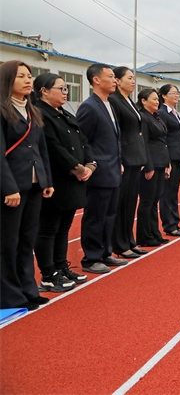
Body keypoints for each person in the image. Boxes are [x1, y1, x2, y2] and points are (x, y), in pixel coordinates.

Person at [0, 61, 54, 310]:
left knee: (26, 239)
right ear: (7, 80)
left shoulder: (32, 111)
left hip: (33, 185)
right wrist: (9, 188)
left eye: (29, 75)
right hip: (12, 187)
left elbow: (42, 150)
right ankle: (9, 295)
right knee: (7, 242)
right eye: (21, 76)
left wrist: (46, 181)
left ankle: (28, 289)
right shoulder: (2, 110)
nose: (27, 79)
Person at [33, 73, 94, 292]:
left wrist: (90, 165)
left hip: (74, 180)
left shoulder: (64, 113)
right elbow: (53, 147)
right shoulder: (40, 114)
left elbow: (83, 141)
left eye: (66, 88)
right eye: (60, 88)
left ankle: (61, 267)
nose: (65, 92)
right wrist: (77, 169)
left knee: (63, 228)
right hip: (56, 179)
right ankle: (48, 274)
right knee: (49, 229)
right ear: (44, 91)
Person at [75, 63, 127, 274]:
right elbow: (83, 140)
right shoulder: (89, 106)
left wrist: (119, 160)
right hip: (99, 172)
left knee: (109, 215)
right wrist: (91, 165)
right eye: (111, 76)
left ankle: (105, 252)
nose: (115, 80)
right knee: (95, 216)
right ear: (96, 80)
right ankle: (91, 258)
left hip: (114, 169)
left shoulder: (108, 105)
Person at [108, 67, 148, 259]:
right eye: (129, 78)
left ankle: (129, 241)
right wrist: (121, 158)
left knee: (131, 202)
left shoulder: (128, 101)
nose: (133, 81)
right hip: (125, 157)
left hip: (135, 157)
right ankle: (120, 243)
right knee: (122, 203)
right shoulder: (114, 101)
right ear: (117, 80)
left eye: (134, 78)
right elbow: (117, 132)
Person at [136, 88, 170, 247]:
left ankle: (154, 232)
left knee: (154, 200)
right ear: (143, 100)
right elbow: (144, 143)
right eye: (154, 99)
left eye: (158, 99)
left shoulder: (155, 117)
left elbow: (162, 141)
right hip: (151, 164)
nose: (157, 102)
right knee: (147, 201)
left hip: (161, 162)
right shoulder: (143, 117)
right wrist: (148, 166)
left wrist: (167, 163)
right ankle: (144, 236)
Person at [157, 85, 180, 237]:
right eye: (173, 93)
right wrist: (167, 160)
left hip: (178, 156)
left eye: (177, 93)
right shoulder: (162, 113)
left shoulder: (175, 113)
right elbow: (162, 137)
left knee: (174, 192)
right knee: (167, 193)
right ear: (164, 95)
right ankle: (169, 224)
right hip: (169, 157)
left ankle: (175, 222)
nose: (176, 96)